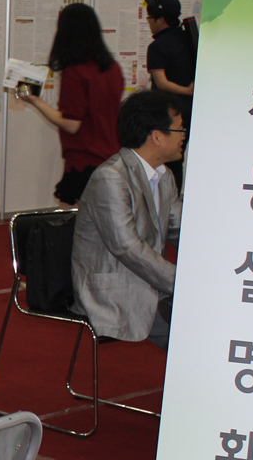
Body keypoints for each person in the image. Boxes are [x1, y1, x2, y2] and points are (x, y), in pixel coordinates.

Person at [70, 90, 184, 350]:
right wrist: (182, 282)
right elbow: (127, 247)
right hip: (115, 290)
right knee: (192, 329)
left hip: (149, 280)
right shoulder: (111, 177)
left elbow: (183, 232)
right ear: (156, 136)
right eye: (179, 130)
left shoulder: (164, 176)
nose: (184, 136)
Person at [14, 2, 125, 206]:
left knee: (72, 225)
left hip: (85, 161)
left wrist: (34, 100)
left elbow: (71, 123)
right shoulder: (113, 67)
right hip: (112, 157)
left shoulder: (76, 72)